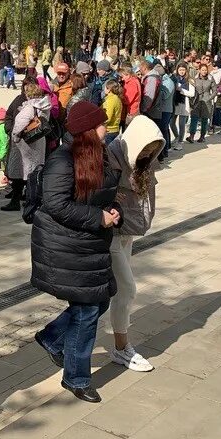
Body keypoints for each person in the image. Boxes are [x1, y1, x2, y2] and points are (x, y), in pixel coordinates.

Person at [31, 101, 120, 403]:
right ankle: (76, 378)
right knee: (87, 312)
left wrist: (113, 210)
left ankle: (52, 338)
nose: (106, 129)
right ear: (87, 132)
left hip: (89, 245)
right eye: (101, 125)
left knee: (100, 303)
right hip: (66, 246)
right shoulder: (62, 160)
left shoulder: (98, 155)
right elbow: (56, 204)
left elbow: (103, 194)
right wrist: (98, 218)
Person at [106, 116, 164, 373]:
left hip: (129, 231)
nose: (149, 154)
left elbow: (147, 195)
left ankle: (57, 336)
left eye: (154, 149)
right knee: (127, 289)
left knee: (112, 294)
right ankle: (121, 348)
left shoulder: (144, 163)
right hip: (111, 234)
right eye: (146, 148)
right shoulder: (113, 157)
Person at [6, 80, 52, 210]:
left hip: (25, 145)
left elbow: (20, 124)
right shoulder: (44, 106)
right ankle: (31, 201)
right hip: (38, 141)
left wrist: (14, 136)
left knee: (21, 173)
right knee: (34, 174)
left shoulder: (30, 107)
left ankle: (24, 202)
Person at [188, 63, 217, 143]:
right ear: (199, 70)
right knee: (194, 118)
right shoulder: (195, 78)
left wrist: (209, 98)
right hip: (196, 101)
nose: (204, 71)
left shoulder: (211, 78)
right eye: (202, 70)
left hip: (206, 101)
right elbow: (191, 88)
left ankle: (202, 136)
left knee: (204, 119)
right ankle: (191, 136)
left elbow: (215, 91)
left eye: (205, 70)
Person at [169, 63, 194, 151]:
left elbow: (192, 93)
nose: (182, 72)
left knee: (181, 124)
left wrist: (181, 90)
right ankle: (177, 137)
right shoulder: (174, 79)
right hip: (175, 103)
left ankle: (180, 142)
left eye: (183, 70)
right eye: (180, 70)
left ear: (186, 70)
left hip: (184, 104)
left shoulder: (189, 80)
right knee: (171, 123)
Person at [101, 79, 123, 145]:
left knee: (108, 152)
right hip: (115, 129)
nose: (103, 89)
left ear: (109, 89)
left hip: (109, 130)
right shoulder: (117, 98)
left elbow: (107, 117)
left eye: (104, 87)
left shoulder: (111, 100)